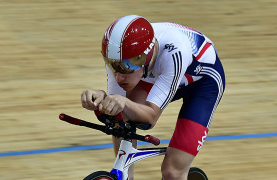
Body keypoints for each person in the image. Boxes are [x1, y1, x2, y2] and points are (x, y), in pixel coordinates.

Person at [81, 15, 225, 180]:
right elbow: (117, 109)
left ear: (146, 57)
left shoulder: (175, 51)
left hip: (202, 84)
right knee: (121, 115)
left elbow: (150, 118)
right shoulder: (120, 55)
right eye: (112, 64)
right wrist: (102, 98)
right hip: (157, 75)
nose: (119, 76)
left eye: (126, 66)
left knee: (172, 171)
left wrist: (123, 102)